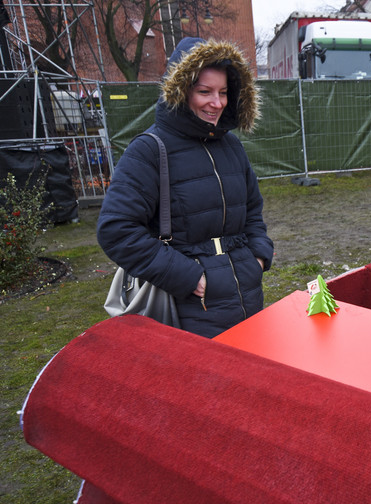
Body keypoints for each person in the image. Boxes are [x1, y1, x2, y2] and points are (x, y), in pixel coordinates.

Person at [97, 38, 274, 338]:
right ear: (180, 92)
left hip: (248, 297)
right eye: (204, 91)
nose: (216, 103)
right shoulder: (150, 149)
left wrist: (258, 256)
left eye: (223, 92)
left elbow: (253, 210)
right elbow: (116, 229)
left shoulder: (232, 145)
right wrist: (189, 277)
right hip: (190, 310)